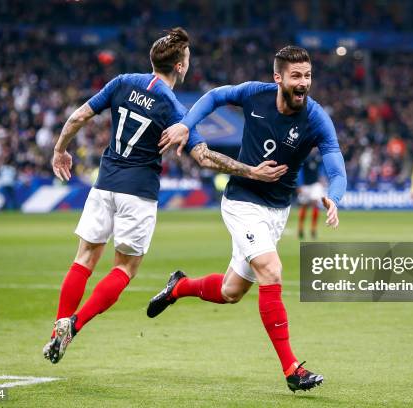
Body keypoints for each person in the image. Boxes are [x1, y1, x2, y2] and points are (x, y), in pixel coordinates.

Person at [43, 28, 287, 364]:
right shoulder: (173, 107)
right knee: (124, 268)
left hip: (104, 184)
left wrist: (60, 150)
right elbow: (203, 156)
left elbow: (79, 115)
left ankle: (60, 321)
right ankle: (76, 324)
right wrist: (251, 171)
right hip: (138, 193)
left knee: (84, 258)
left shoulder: (122, 81)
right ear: (181, 66)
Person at [148, 46, 347, 392]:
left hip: (277, 210)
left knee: (230, 292)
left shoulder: (316, 118)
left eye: (308, 75)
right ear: (279, 78)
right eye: (296, 76)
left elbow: (335, 161)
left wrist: (336, 196)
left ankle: (178, 287)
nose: (304, 83)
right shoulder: (256, 94)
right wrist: (185, 125)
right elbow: (213, 97)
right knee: (271, 270)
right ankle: (291, 369)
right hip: (242, 201)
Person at [297, 149, 324, 240]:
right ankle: (300, 228)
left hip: (315, 185)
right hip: (305, 186)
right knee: (304, 206)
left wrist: (322, 178)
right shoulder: (304, 158)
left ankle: (313, 229)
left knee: (315, 203)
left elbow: (321, 169)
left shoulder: (318, 157)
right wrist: (299, 185)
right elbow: (299, 171)